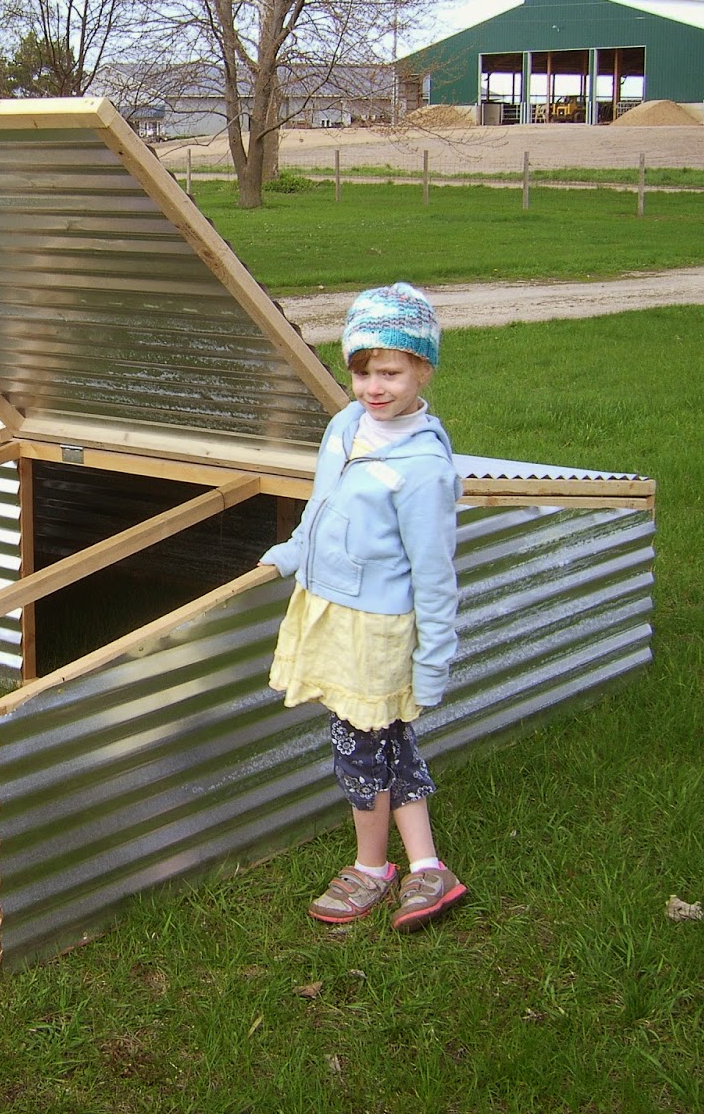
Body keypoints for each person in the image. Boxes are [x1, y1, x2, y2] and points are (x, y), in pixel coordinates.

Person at [258, 282, 467, 932]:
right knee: (389, 743)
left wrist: (433, 664)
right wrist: (291, 553)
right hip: (330, 613)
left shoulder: (423, 470)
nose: (374, 387)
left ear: (422, 369)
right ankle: (428, 867)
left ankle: (373, 868)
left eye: (390, 371)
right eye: (361, 371)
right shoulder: (345, 426)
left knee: (357, 748)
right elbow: (321, 508)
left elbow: (435, 578)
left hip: (375, 632)